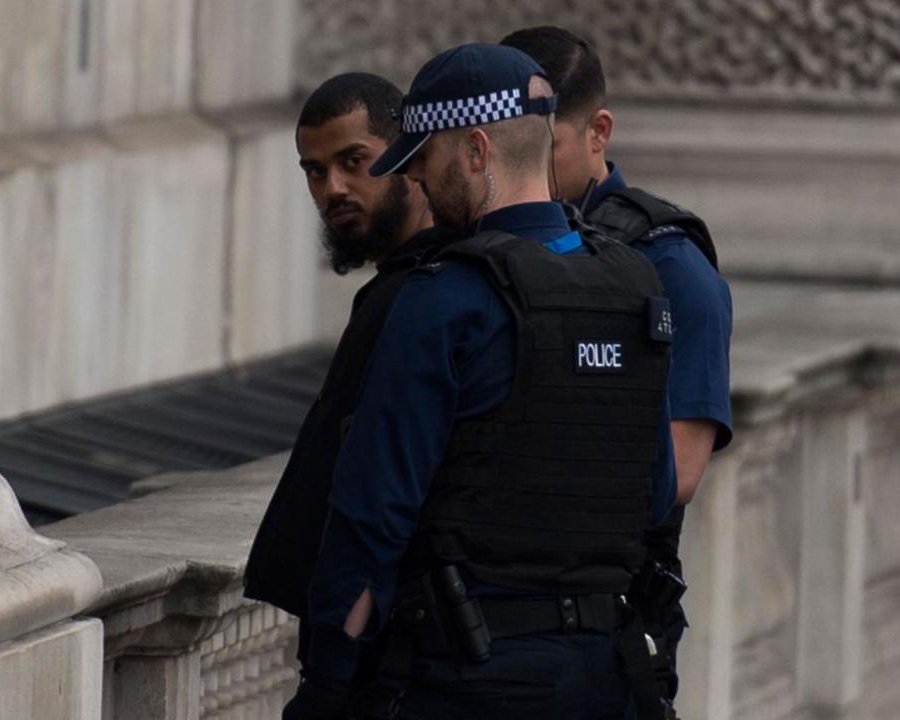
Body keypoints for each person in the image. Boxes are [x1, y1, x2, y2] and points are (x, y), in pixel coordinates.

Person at [282, 43, 678, 720]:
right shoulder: (633, 283)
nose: (423, 186)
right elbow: (659, 492)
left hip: (471, 677)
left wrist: (326, 688)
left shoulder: (442, 300)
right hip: (609, 676)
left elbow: (369, 518)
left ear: (475, 151)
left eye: (426, 162)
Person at [502, 26, 734, 714]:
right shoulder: (489, 251)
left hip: (606, 634)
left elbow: (677, 473)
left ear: (598, 132)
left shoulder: (671, 268)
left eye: (544, 151)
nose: (521, 175)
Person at [243, 73, 454, 664]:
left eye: (353, 161)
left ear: (408, 154)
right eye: (314, 171)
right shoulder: (398, 290)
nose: (333, 187)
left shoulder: (428, 295)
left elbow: (382, 500)